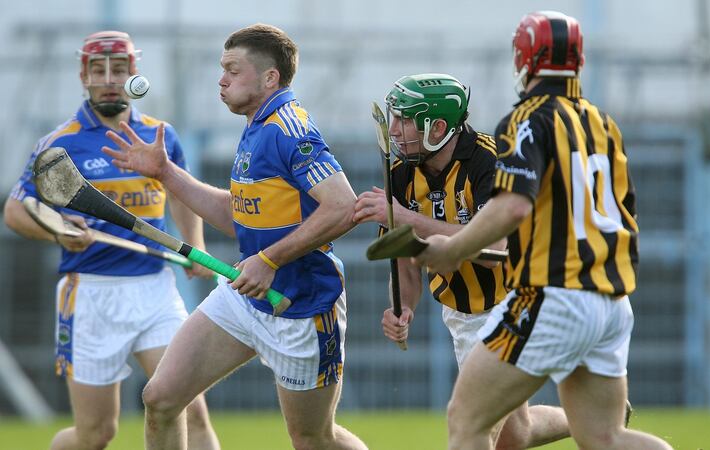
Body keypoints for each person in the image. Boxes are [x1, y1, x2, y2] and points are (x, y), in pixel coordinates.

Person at [412, 12, 674, 450]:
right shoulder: (603, 124)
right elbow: (624, 208)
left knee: (467, 420)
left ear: (524, 61)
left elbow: (513, 203)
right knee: (606, 437)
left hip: (554, 294)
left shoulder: (526, 119)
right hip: (611, 301)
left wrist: (454, 248)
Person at [101, 24, 367, 450]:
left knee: (313, 438)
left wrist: (271, 260)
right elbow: (239, 215)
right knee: (161, 398)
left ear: (270, 78)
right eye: (221, 69)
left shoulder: (290, 129)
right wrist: (166, 174)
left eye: (233, 70)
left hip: (302, 304)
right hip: (246, 297)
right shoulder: (256, 126)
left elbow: (342, 207)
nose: (221, 80)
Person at [3, 31, 219, 450]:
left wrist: (195, 244)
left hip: (155, 289)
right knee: (96, 434)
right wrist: (58, 231)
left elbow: (181, 194)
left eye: (118, 70)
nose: (108, 79)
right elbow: (15, 211)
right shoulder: (60, 143)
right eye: (97, 70)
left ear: (133, 75)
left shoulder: (160, 136)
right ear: (83, 76)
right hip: (90, 295)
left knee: (188, 409)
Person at [353, 73, 572, 449]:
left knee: (472, 420)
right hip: (462, 314)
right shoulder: (402, 172)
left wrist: (405, 217)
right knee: (515, 433)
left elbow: (494, 251)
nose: (394, 129)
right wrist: (403, 306)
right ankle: (590, 419)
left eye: (405, 119)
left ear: (438, 127)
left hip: (515, 302)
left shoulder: (492, 161)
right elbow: (405, 260)